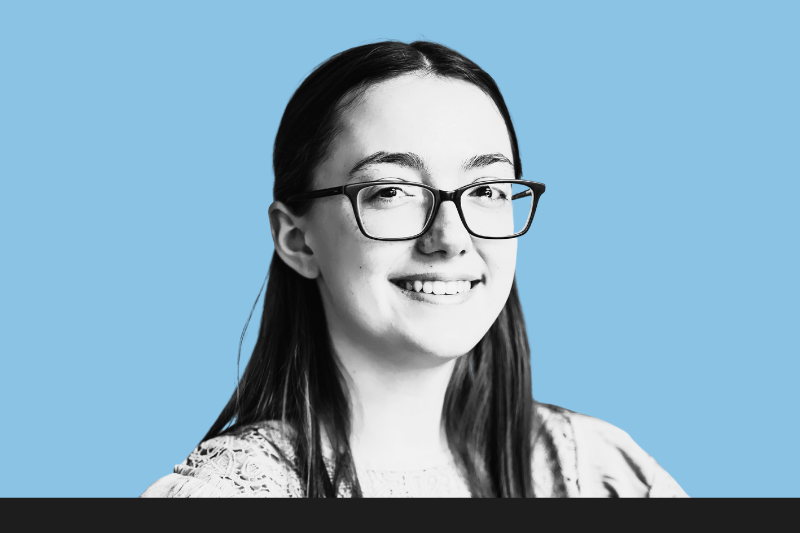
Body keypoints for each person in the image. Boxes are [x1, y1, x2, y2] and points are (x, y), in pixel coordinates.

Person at [141, 40, 688, 498]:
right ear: (296, 239)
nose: (450, 238)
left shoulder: (599, 474)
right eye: (391, 191)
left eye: (487, 190)